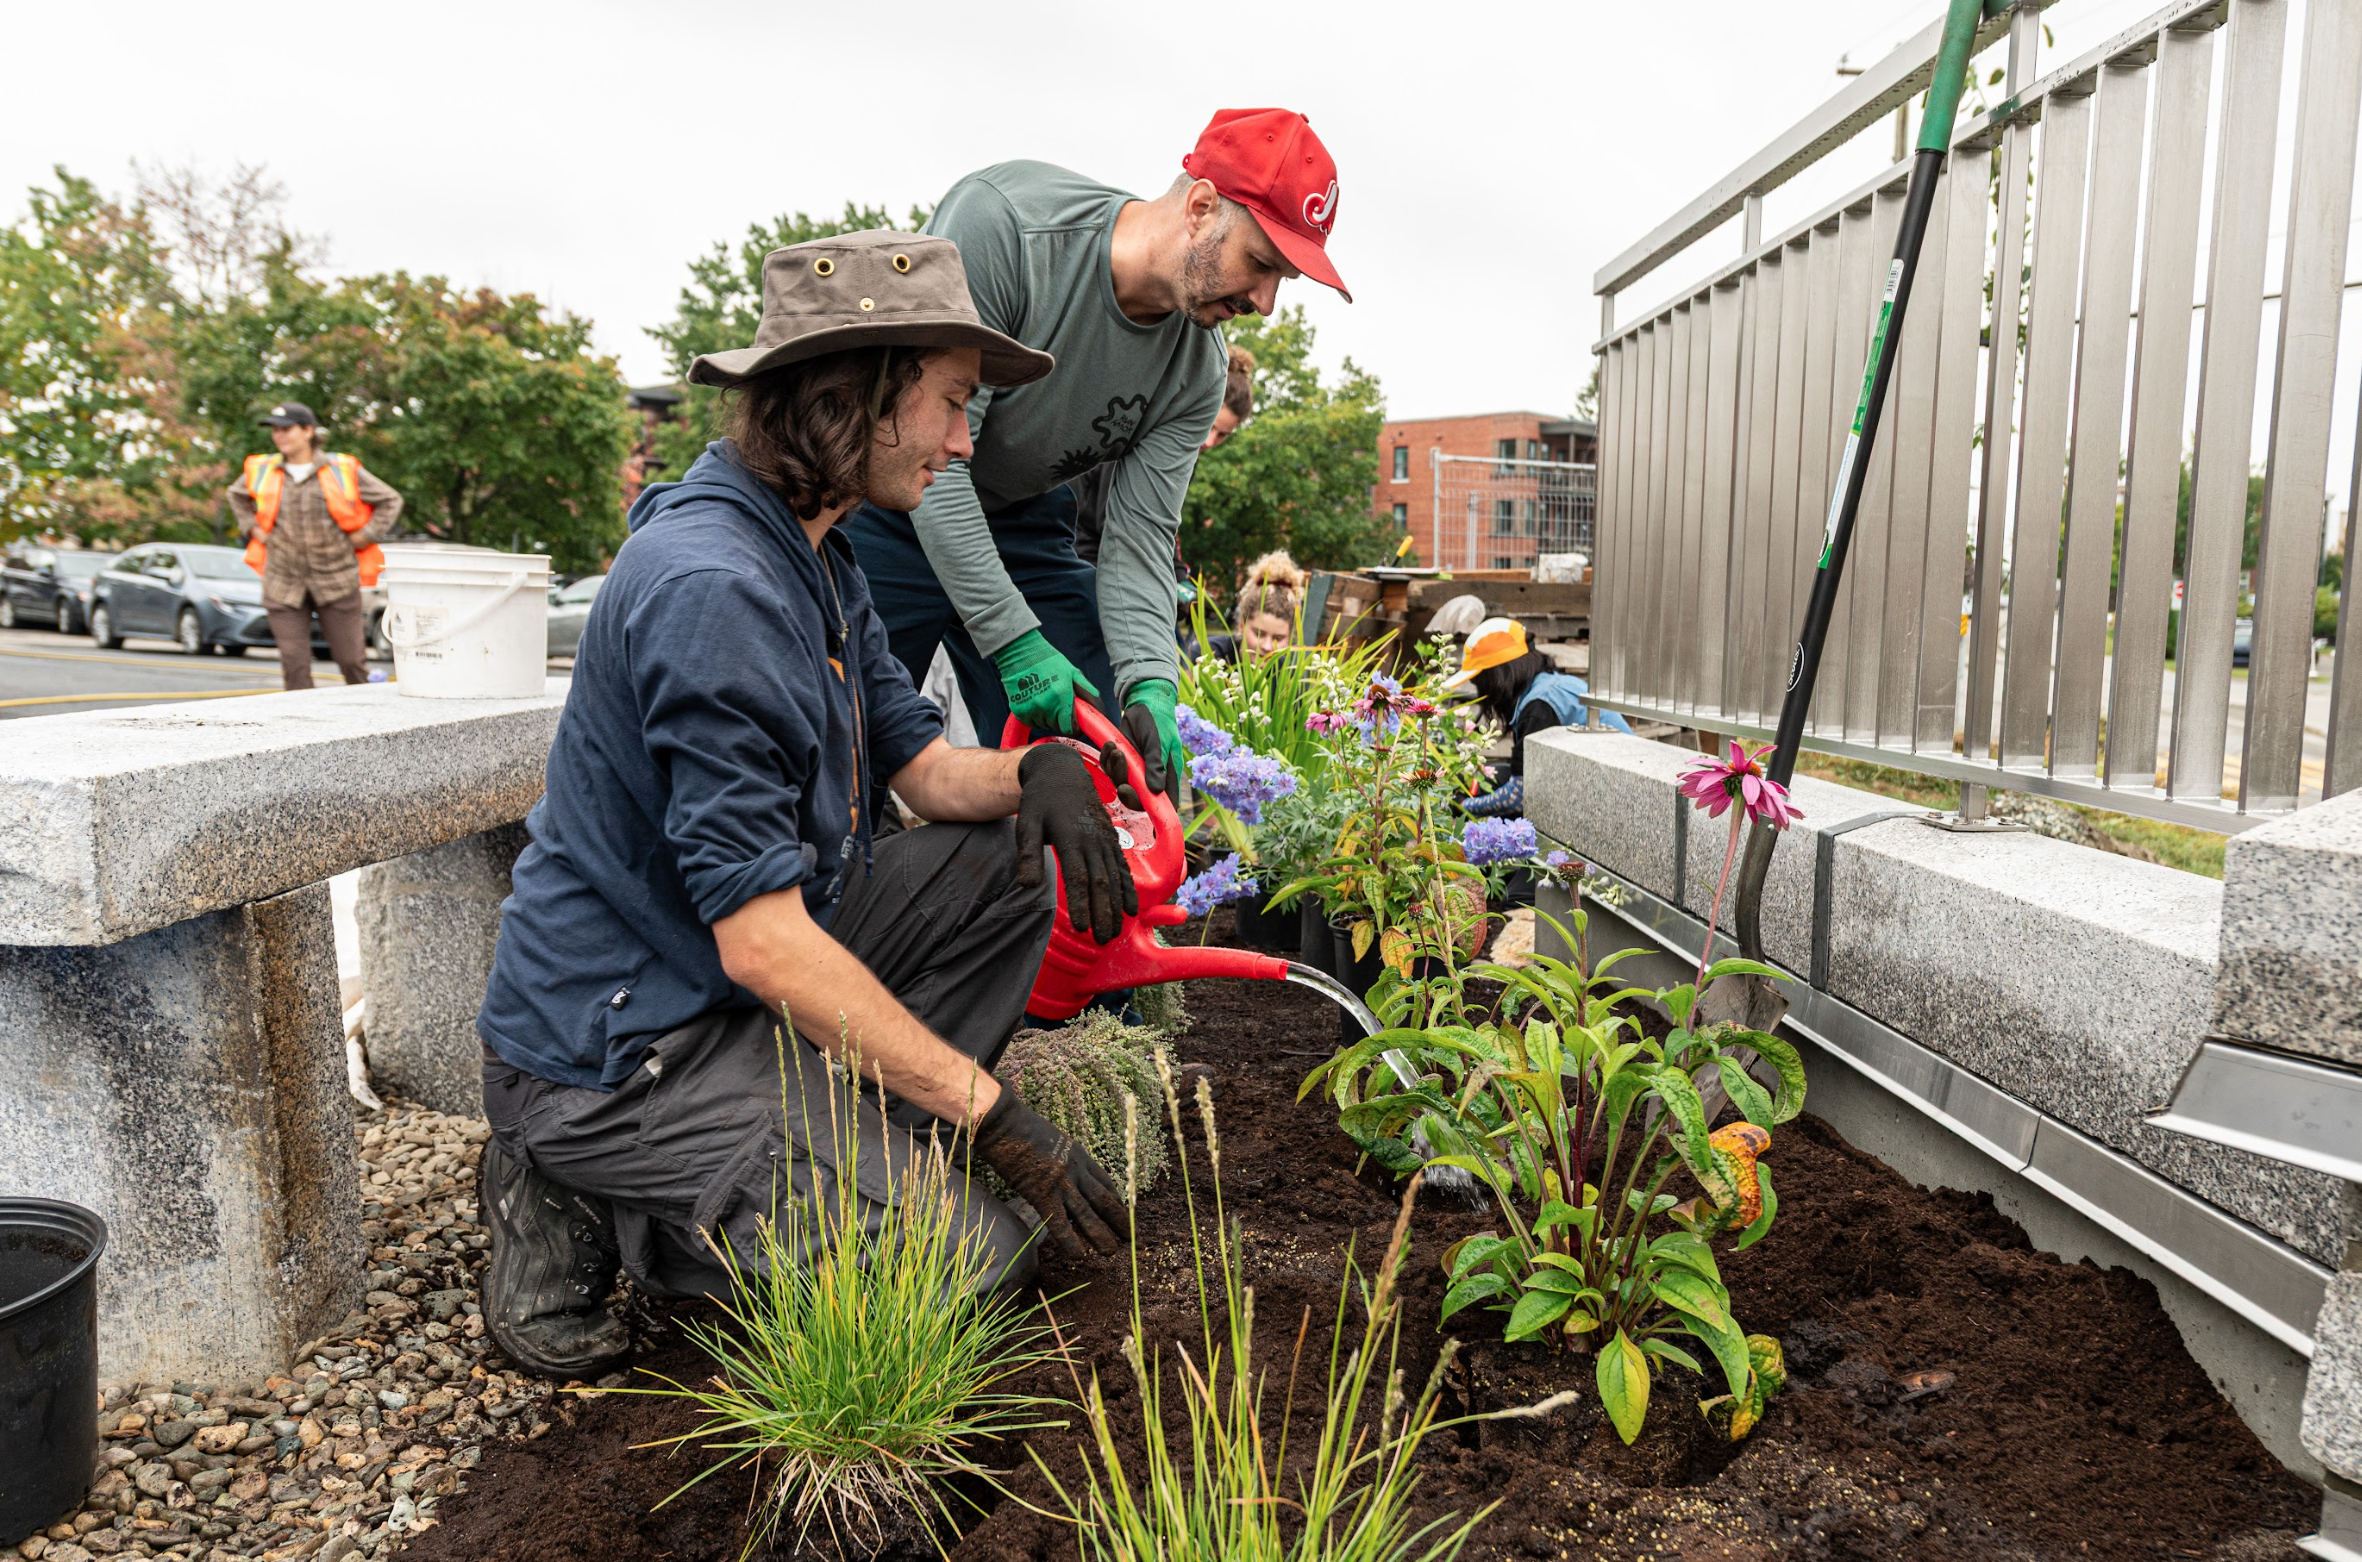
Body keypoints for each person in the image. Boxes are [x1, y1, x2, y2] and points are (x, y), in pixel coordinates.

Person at [473, 233, 1139, 1380]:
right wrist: (993, 1118)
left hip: (726, 983)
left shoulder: (820, 555)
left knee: (1008, 859)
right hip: (625, 1043)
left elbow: (925, 773)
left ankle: (839, 1150)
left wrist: (1036, 772)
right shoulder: (715, 589)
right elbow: (764, 940)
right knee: (967, 1263)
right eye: (948, 403)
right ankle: (586, 1190)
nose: (963, 440)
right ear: (857, 398)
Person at [847, 108, 1350, 802]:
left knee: (1103, 758)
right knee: (841, 749)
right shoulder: (1007, 231)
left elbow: (1138, 538)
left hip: (1021, 518)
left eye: (1282, 282)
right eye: (1260, 264)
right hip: (891, 502)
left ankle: (1050, 906)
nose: (1264, 302)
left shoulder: (1196, 371)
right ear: (1201, 207)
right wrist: (1013, 639)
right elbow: (935, 458)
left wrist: (1149, 679)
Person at [226, 402, 402, 689]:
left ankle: (369, 725)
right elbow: (235, 496)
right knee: (294, 664)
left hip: (336, 577)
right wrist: (255, 530)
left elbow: (390, 500)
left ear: (308, 431)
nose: (279, 436)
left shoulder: (341, 469)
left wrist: (364, 536)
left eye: (286, 429)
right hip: (283, 580)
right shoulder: (262, 469)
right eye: (275, 431)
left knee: (351, 662)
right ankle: (303, 729)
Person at [1072, 344, 1256, 567]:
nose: (1209, 441)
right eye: (1210, 426)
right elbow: (1117, 526)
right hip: (1077, 551)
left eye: (1222, 435)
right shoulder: (1146, 432)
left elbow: (1163, 523)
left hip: (1117, 556)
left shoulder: (1188, 456)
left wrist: (1180, 578)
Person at [1443, 617, 1634, 816]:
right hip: (1601, 784)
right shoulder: (1550, 685)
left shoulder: (1538, 709)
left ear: (1497, 677)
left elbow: (1520, 798)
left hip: (1615, 799)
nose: (1482, 691)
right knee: (1491, 777)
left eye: (1479, 681)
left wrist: (1462, 807)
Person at [1196, 550, 1305, 661]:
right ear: (1241, 625)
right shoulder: (1206, 655)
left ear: (1290, 638)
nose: (1266, 647)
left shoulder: (1287, 672)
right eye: (1259, 634)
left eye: (1278, 638)